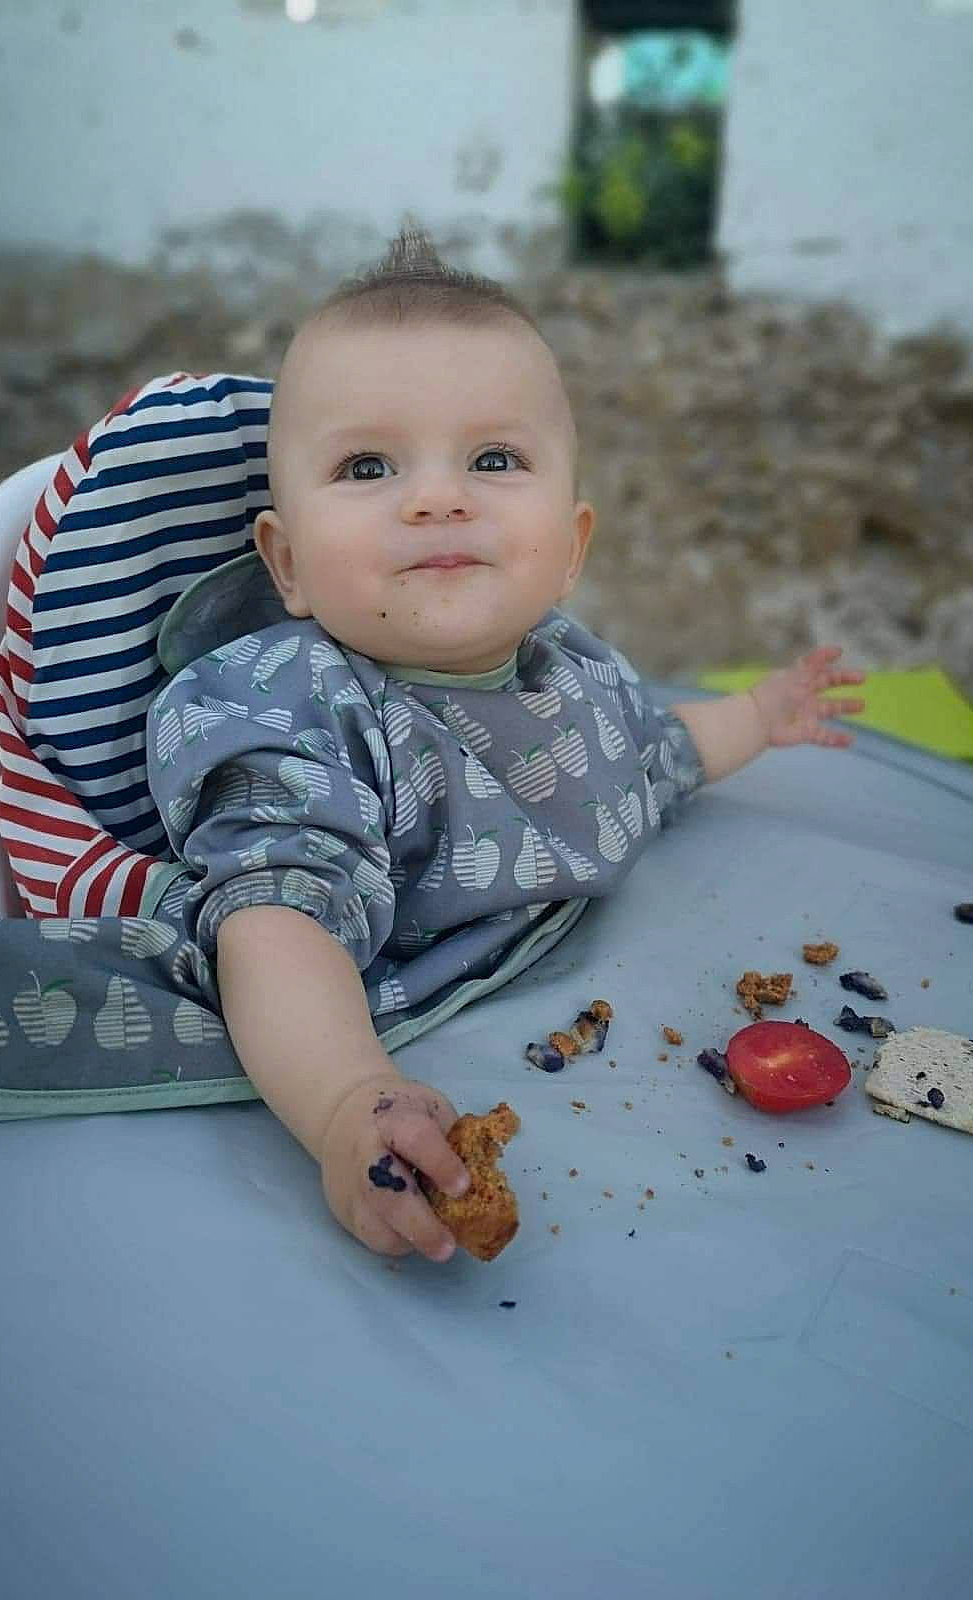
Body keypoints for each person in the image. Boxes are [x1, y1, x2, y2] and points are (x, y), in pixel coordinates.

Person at [145, 225, 866, 1267]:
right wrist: (350, 1100)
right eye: (366, 464)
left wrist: (756, 716)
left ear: (570, 549)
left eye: (493, 458)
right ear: (288, 564)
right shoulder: (299, 710)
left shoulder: (568, 673)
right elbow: (275, 921)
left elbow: (649, 758)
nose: (437, 495)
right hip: (353, 1036)